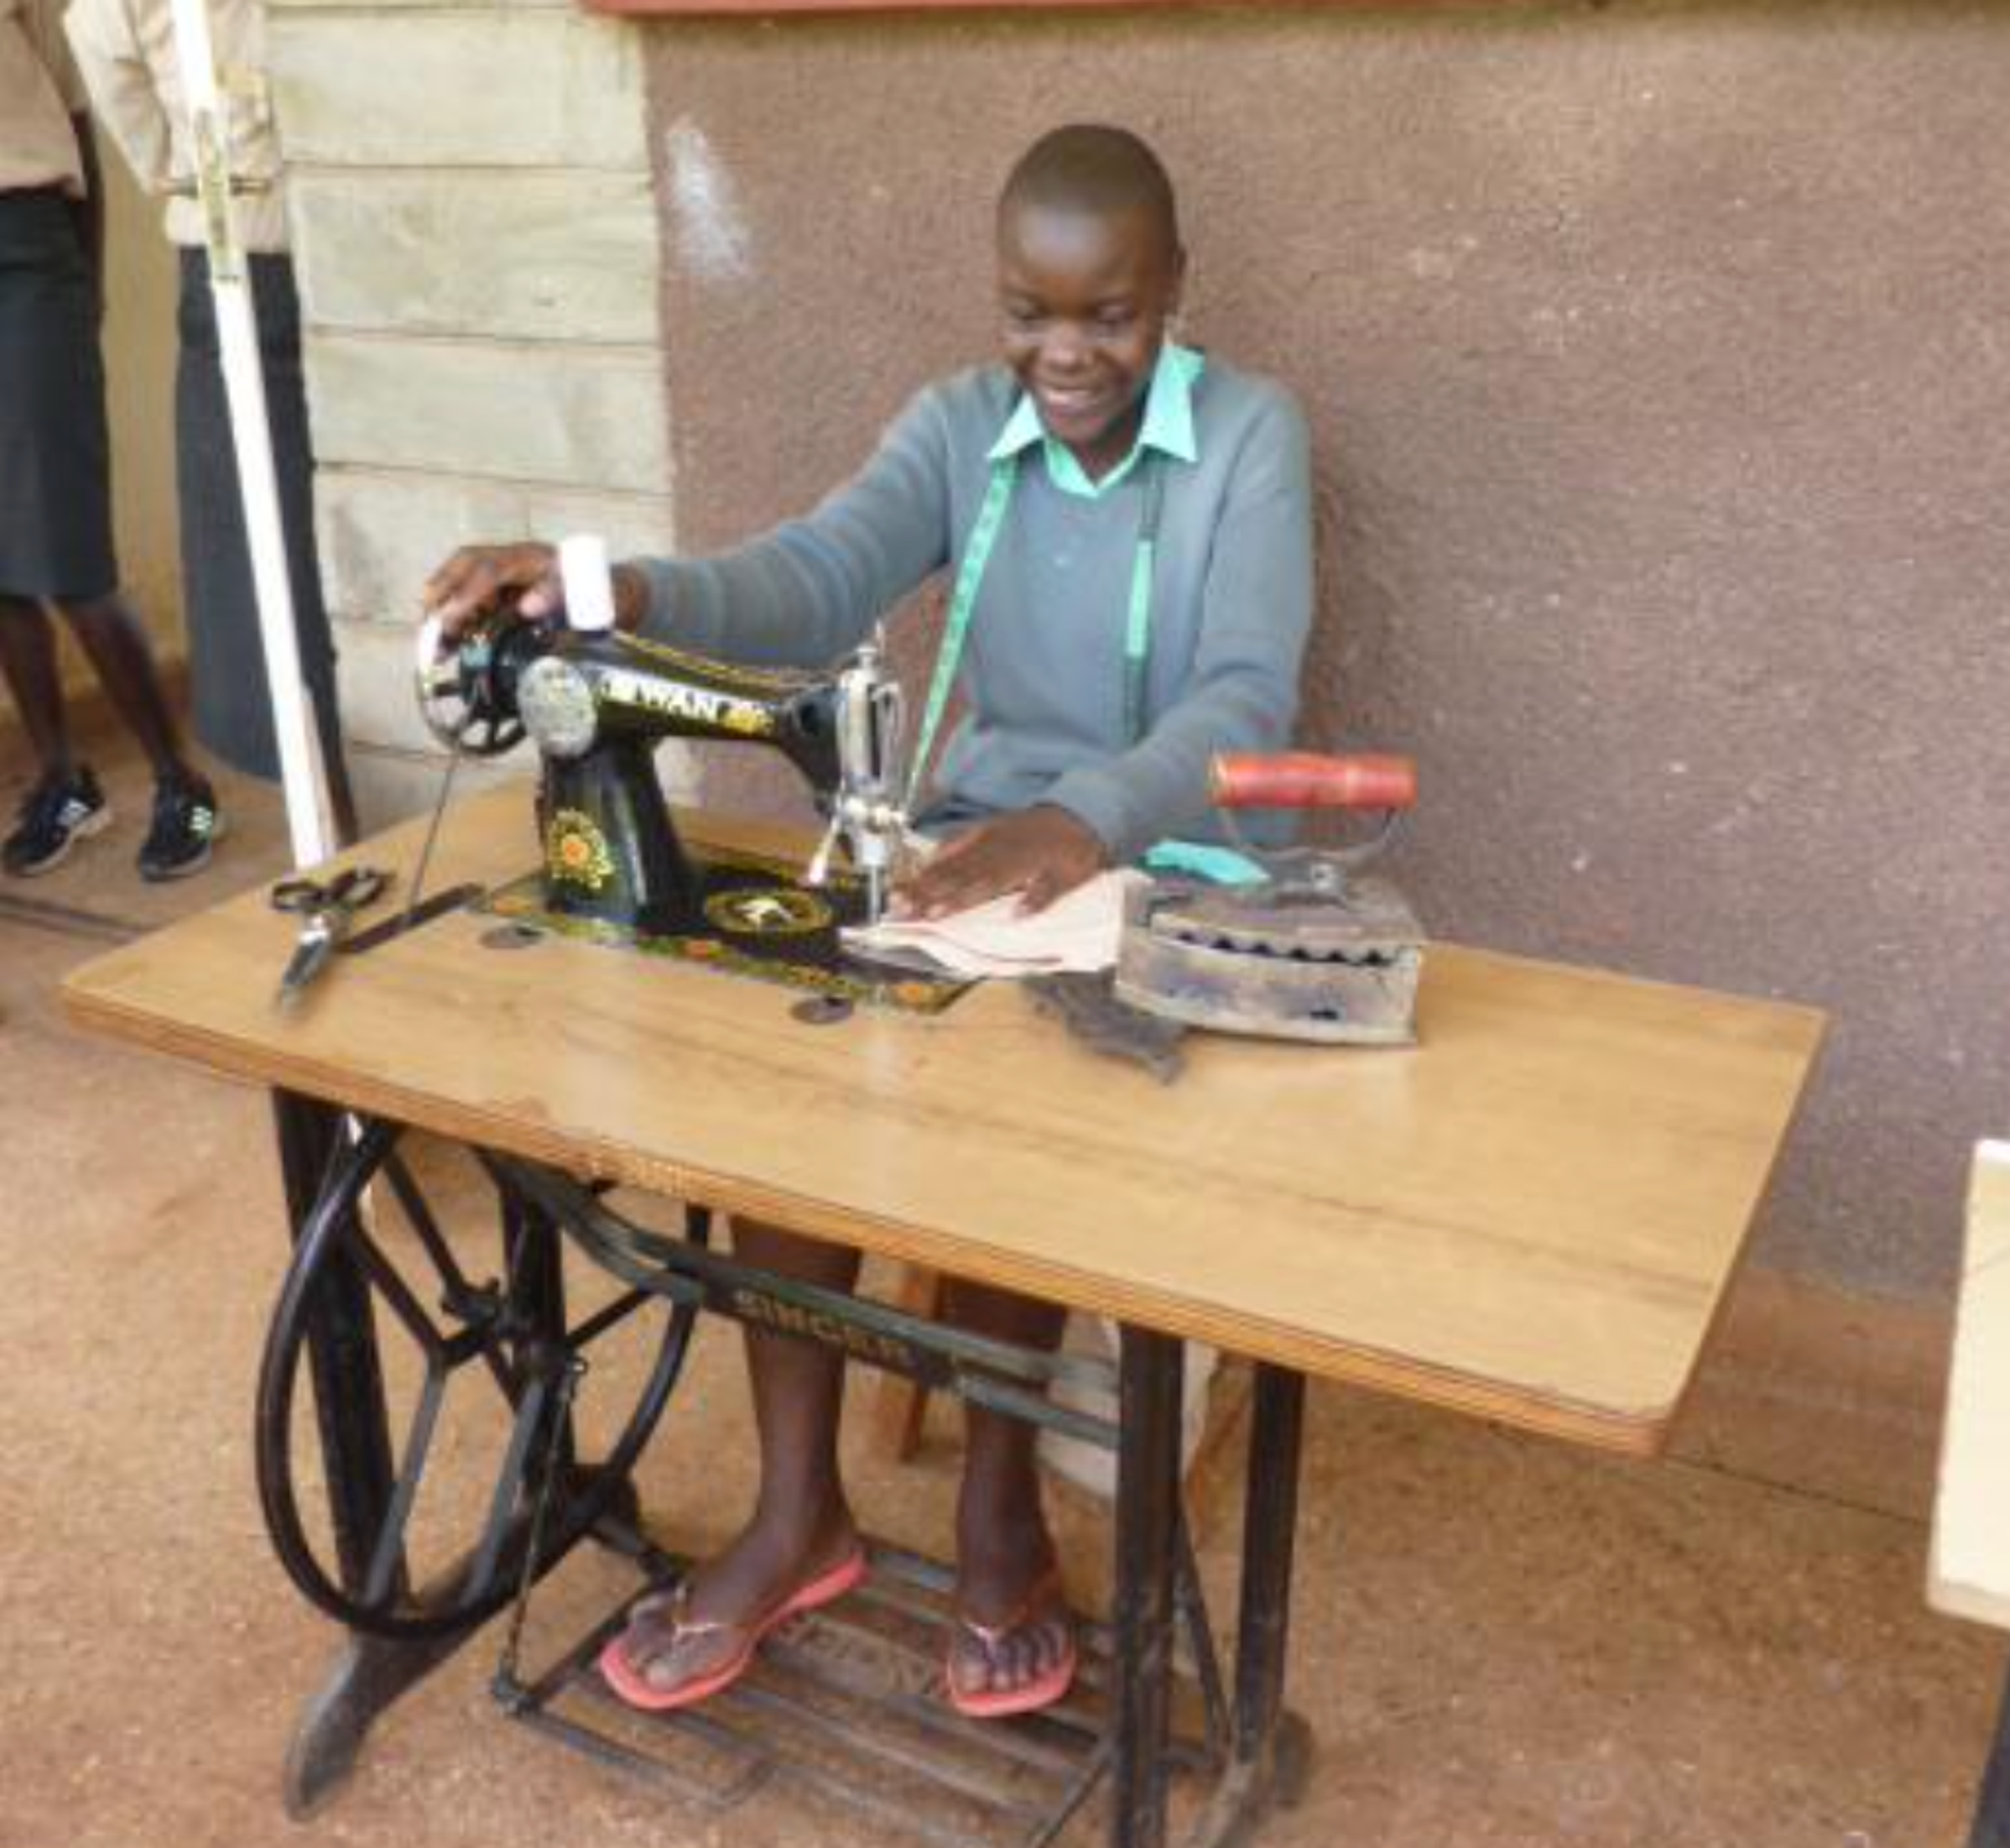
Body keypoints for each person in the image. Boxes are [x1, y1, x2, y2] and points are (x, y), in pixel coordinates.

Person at [423, 123, 1314, 1719]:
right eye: (1028, 312)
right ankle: (797, 1509)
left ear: (1175, 288)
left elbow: (1247, 691)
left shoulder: (1253, 438)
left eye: (1106, 314)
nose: (1064, 352)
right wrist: (613, 586)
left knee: (1014, 1107)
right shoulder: (967, 427)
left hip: (1163, 860)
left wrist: (1082, 820)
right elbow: (815, 576)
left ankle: (996, 1508)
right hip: (972, 855)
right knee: (803, 1077)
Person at [66, 0, 354, 842]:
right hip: (298, 247)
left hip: (241, 247)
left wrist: (190, 171)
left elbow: (102, 49)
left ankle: (335, 817)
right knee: (285, 565)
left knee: (276, 567)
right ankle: (339, 815)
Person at [0, 0, 220, 879]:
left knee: (71, 553)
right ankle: (63, 777)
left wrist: (83, 287)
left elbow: (80, 115)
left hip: (22, 252)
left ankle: (180, 781)